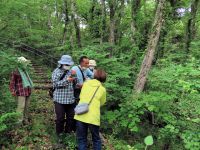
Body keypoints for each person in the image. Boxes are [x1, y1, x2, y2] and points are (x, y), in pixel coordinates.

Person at [74, 69, 107, 150]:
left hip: (81, 114)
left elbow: (81, 97)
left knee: (81, 139)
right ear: (104, 78)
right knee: (96, 140)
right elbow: (102, 102)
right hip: (93, 118)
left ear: (94, 75)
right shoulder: (102, 89)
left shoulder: (85, 84)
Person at [52, 55, 76, 136]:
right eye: (67, 64)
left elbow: (74, 83)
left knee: (71, 117)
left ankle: (68, 132)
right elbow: (55, 84)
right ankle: (59, 133)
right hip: (59, 99)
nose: (68, 66)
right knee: (60, 118)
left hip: (70, 99)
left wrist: (74, 77)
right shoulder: (56, 72)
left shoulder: (71, 71)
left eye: (69, 64)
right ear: (62, 64)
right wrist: (67, 80)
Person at [9, 57, 33, 124]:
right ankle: (18, 123)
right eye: (24, 62)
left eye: (25, 62)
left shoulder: (25, 70)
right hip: (20, 92)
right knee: (20, 108)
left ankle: (25, 120)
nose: (25, 64)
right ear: (20, 63)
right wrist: (12, 91)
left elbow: (28, 80)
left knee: (26, 107)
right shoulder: (15, 71)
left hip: (28, 91)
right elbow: (12, 82)